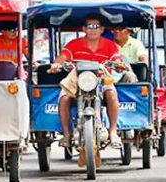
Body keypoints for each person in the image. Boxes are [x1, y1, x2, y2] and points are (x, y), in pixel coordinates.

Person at [50, 13, 138, 149]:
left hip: (101, 77)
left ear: (102, 29)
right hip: (77, 78)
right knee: (64, 98)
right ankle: (66, 135)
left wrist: (119, 65)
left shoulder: (110, 45)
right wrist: (56, 64)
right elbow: (63, 57)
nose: (92, 29)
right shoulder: (74, 44)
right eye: (89, 27)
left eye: (96, 26)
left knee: (112, 94)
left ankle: (113, 132)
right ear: (84, 29)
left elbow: (116, 60)